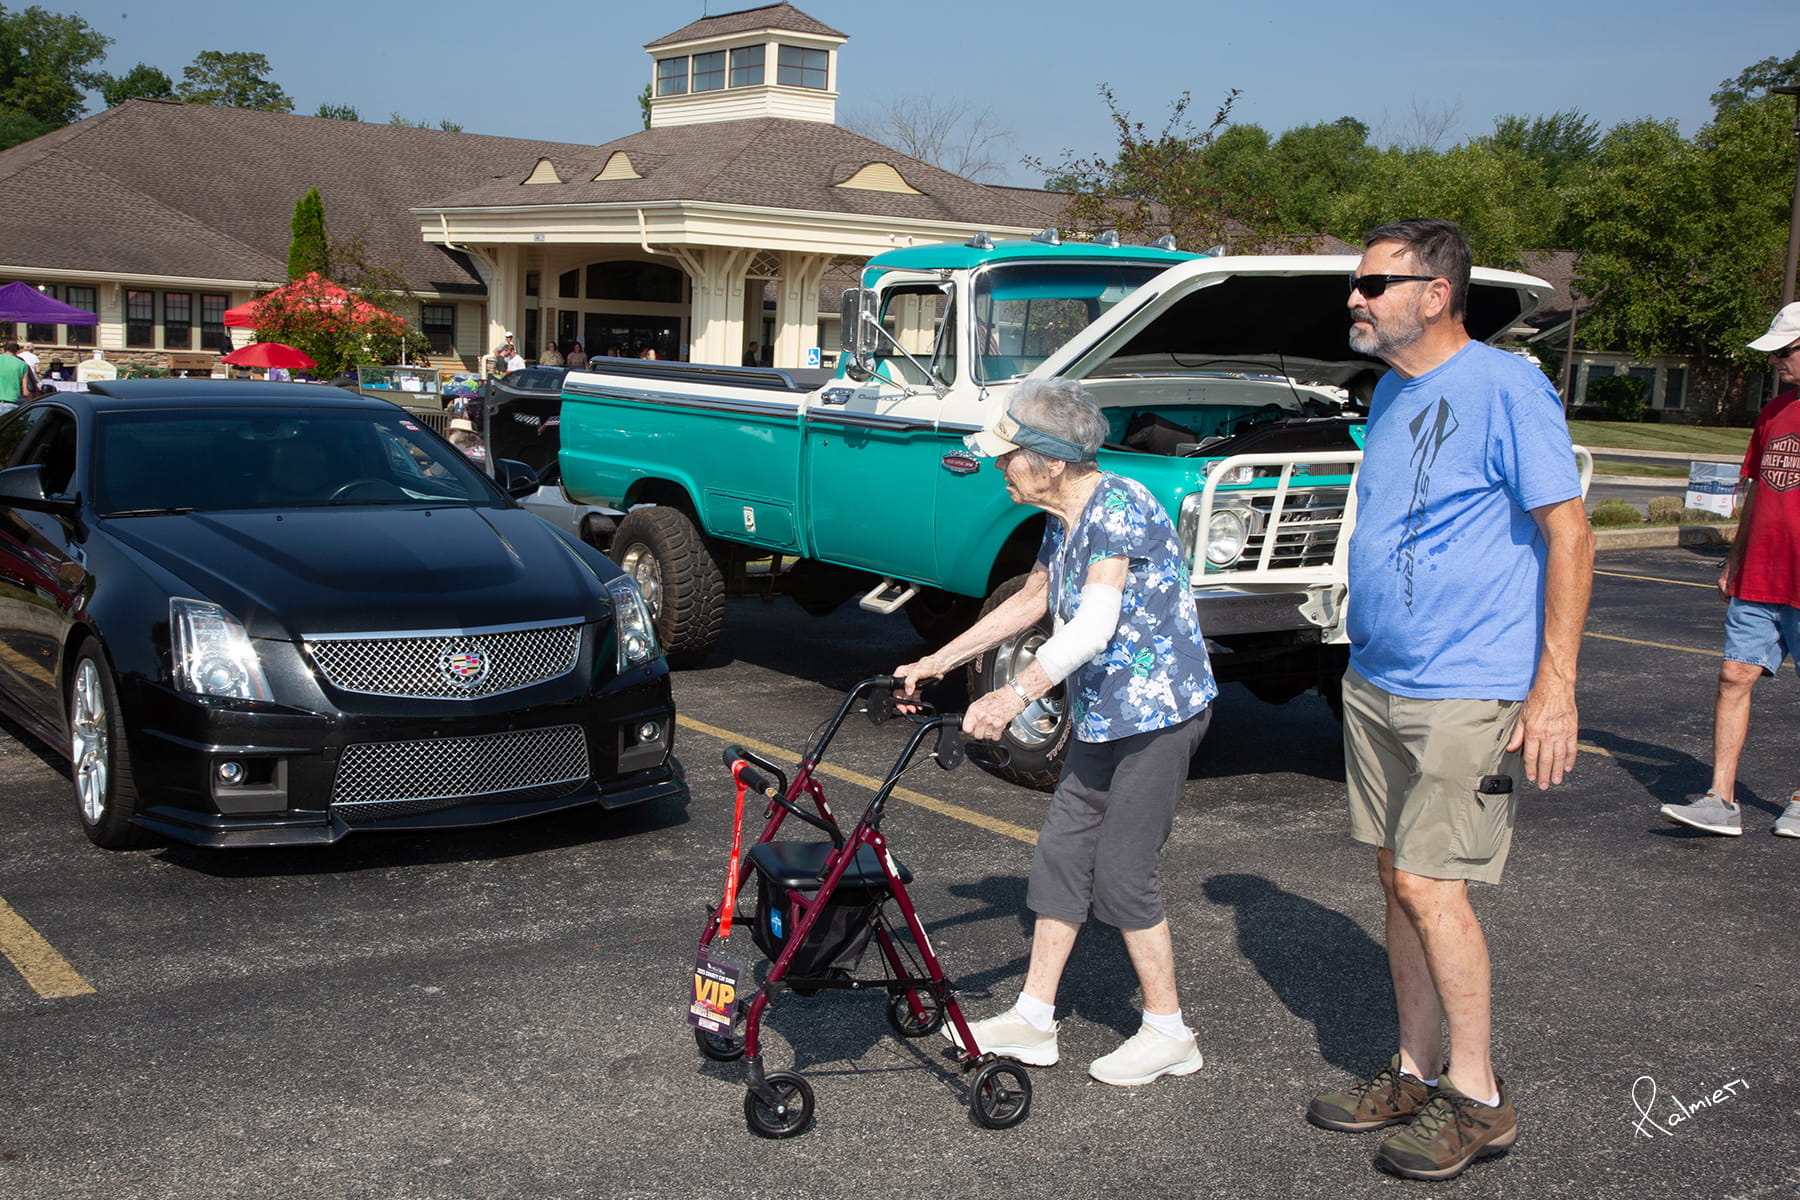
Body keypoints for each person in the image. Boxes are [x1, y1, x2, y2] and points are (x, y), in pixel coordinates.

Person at [1305, 219, 1592, 1181]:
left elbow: (1570, 533)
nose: (1357, 295)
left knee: (1434, 885)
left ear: (1436, 293)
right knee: (1397, 876)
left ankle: (1481, 1101)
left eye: (1377, 282)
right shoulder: (1391, 390)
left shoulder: (1507, 385)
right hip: (1380, 676)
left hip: (1469, 684)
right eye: (1357, 281)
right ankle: (1414, 1071)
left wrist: (1554, 686)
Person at [893, 378, 1216, 1088]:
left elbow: (1096, 624)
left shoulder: (1119, 505)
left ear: (1051, 460)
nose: (1000, 468)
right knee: (1063, 855)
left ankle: (1169, 1032)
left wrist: (1012, 694)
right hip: (1105, 713)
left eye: (1009, 457)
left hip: (1159, 716)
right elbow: (1036, 598)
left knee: (1126, 873)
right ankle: (1034, 1019)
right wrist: (940, 661)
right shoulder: (1063, 515)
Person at [1658, 301, 1800, 838]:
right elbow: (1760, 493)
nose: (1775, 363)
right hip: (1759, 577)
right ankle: (1721, 799)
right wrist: (1734, 561)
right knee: (1733, 675)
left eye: (1784, 352)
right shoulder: (1774, 413)